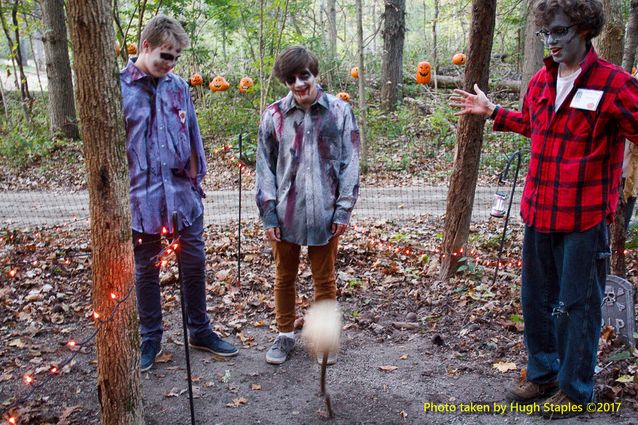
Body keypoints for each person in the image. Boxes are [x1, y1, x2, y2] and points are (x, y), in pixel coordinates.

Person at [450, 0, 638, 418]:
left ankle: (574, 391)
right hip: (539, 211)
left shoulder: (613, 83)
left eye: (560, 32)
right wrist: (495, 113)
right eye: (546, 34)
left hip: (584, 218)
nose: (552, 42)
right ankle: (544, 373)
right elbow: (536, 126)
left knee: (577, 305)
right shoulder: (540, 81)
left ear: (585, 30)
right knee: (536, 300)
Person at [120, 15, 238, 372]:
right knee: (146, 271)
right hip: (142, 199)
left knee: (194, 263)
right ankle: (150, 339)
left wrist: (196, 177)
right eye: (164, 56)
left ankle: (199, 330)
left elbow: (193, 135)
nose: (169, 64)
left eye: (175, 58)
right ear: (145, 46)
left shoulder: (178, 87)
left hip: (183, 197)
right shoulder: (119, 87)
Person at [255, 46, 360, 365]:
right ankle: (285, 335)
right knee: (284, 277)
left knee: (324, 279)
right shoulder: (273, 116)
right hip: (285, 212)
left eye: (304, 76)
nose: (299, 83)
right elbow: (265, 168)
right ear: (285, 82)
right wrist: (268, 211)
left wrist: (343, 208)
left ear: (315, 74)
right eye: (291, 79)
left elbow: (351, 162)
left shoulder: (340, 112)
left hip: (326, 213)